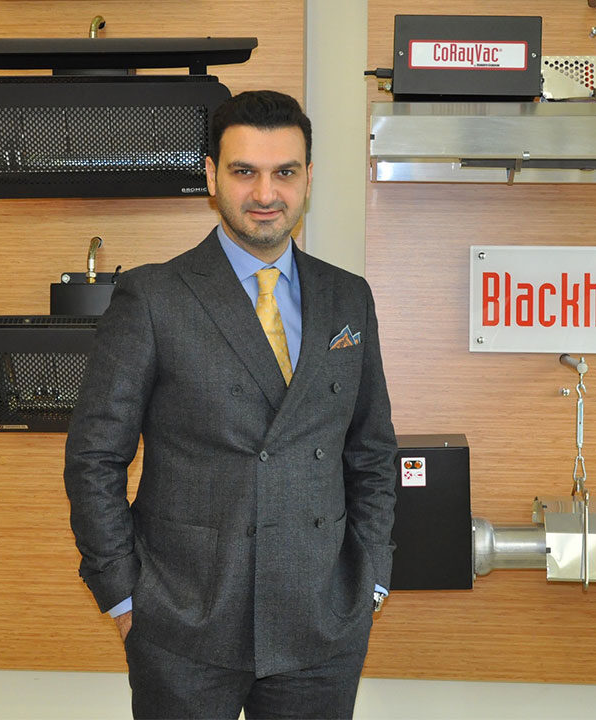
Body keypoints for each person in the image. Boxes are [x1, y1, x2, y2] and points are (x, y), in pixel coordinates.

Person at [64, 90, 397, 720]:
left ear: (308, 179)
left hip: (321, 626)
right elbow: (94, 457)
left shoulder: (347, 297)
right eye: (245, 171)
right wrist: (123, 596)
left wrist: (372, 575)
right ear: (212, 176)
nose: (266, 193)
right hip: (181, 623)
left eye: (284, 172)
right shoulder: (154, 296)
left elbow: (372, 450)